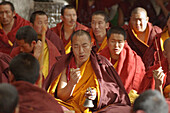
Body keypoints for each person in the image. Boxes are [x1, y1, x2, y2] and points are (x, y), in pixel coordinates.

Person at [44, 30, 131, 113]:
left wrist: (97, 94)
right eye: (76, 46)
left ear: (91, 45)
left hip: (96, 108)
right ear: (72, 48)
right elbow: (60, 96)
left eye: (84, 46)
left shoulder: (100, 64)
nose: (81, 51)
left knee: (125, 110)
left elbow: (113, 91)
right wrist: (72, 83)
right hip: (68, 106)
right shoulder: (65, 65)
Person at [100, 27, 146, 94]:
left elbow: (139, 83)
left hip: (127, 97)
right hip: (104, 96)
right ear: (107, 41)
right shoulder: (99, 58)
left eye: (119, 42)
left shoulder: (135, 60)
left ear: (125, 42)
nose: (116, 45)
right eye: (113, 41)